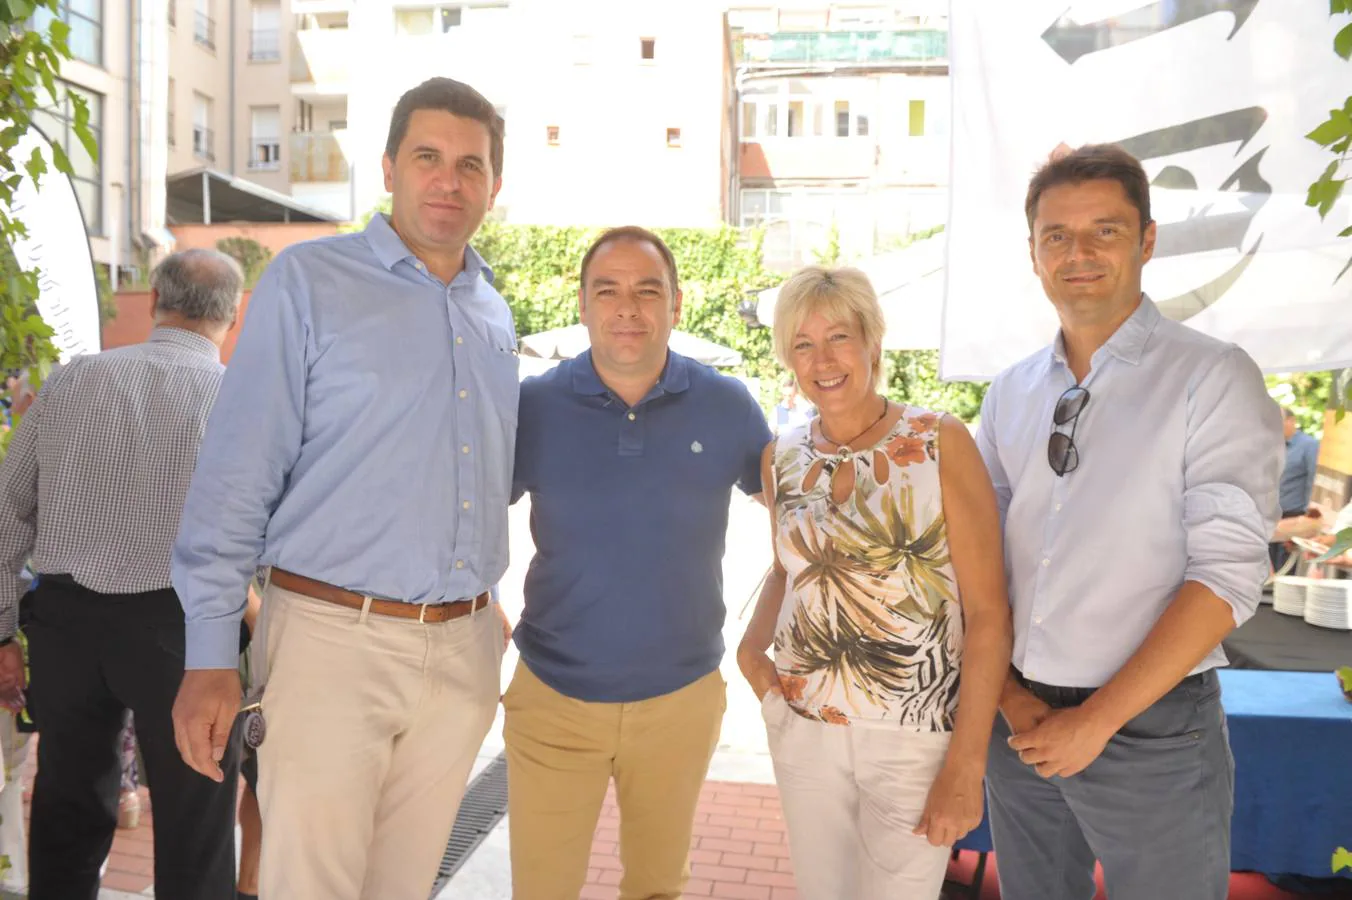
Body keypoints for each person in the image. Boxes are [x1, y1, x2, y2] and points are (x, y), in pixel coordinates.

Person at [170, 77, 516, 900]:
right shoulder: (308, 282)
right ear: (390, 167)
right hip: (333, 643)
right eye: (428, 157)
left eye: (471, 165)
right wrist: (210, 655)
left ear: (494, 187)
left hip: (462, 656)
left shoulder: (492, 311)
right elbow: (235, 476)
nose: (449, 180)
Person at [976, 144, 1283, 900]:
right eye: (1056, 236)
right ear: (1033, 253)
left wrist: (1098, 720)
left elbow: (1228, 577)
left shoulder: (1211, 376)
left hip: (1153, 730)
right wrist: (1011, 699)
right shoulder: (1009, 393)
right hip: (1018, 719)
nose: (1077, 253)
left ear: (1148, 240)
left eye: (1104, 231)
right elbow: (975, 560)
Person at [505, 226, 772, 900]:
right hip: (553, 699)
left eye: (647, 291)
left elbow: (800, 520)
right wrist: (477, 608)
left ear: (676, 305)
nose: (628, 307)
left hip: (680, 700)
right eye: (609, 291)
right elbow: (461, 518)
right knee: (542, 889)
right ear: (584, 304)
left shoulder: (728, 405)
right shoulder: (531, 407)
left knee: (658, 887)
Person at [736, 266, 1012, 899]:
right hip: (804, 724)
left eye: (838, 337)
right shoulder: (781, 454)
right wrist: (750, 651)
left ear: (872, 342)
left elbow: (990, 615)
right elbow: (786, 567)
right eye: (802, 344)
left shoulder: (938, 442)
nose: (823, 359)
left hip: (912, 734)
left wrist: (967, 765)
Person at [0, 249, 245, 900]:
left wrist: (1, 633)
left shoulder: (75, 378)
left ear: (157, 301)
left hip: (66, 624)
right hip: (183, 630)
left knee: (66, 805)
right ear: (233, 313)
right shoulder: (238, 398)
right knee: (197, 811)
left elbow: (6, 509)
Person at [1270, 408, 1321, 572]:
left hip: (1295, 515)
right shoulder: (1271, 445)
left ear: (1291, 421)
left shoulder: (1309, 446)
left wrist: (1308, 515)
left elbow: (1313, 480)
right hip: (1272, 517)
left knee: (1287, 569)